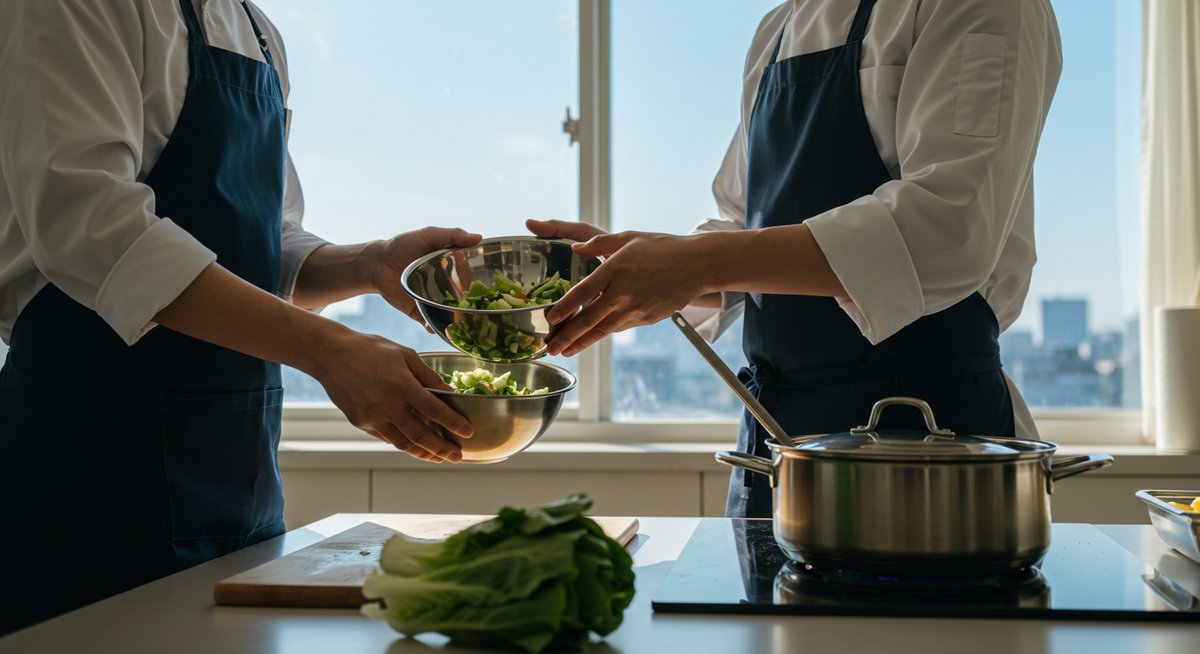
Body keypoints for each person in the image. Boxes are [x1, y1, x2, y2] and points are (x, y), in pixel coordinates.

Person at [0, 0, 475, 633]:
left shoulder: (258, 33)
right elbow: (94, 232)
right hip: (89, 486)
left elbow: (263, 243)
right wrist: (328, 351)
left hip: (238, 488)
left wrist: (372, 262)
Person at [529, 0, 1062, 518]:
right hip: (778, 442)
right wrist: (632, 271)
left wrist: (693, 263)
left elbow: (946, 228)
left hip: (928, 443)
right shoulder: (778, 28)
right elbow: (742, 234)